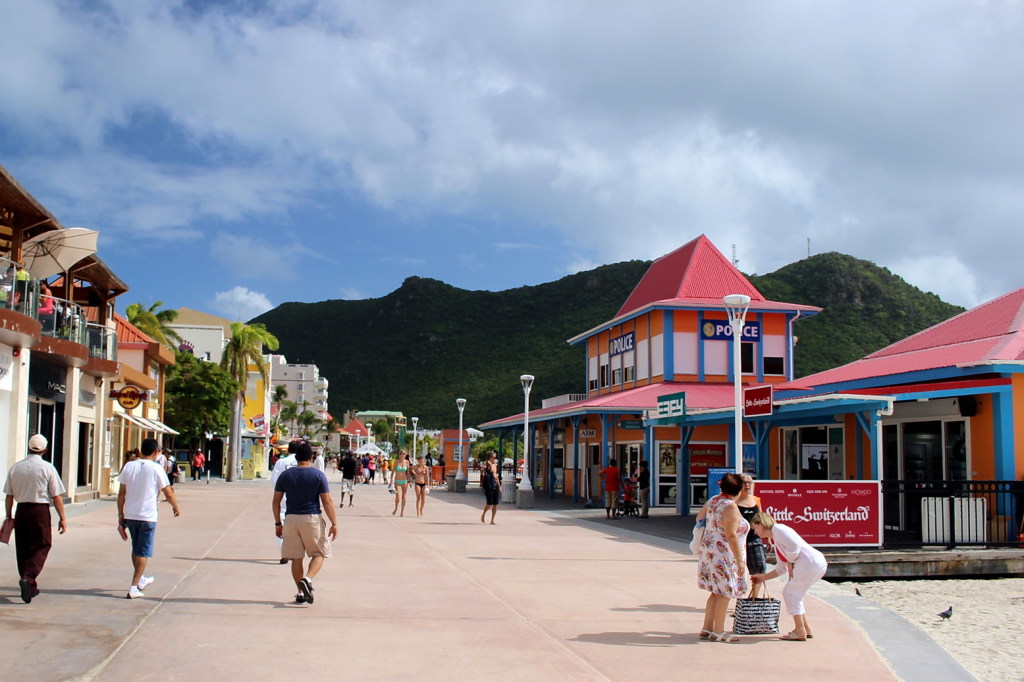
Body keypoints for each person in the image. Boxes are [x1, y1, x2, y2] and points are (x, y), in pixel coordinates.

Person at [3, 434, 67, 603]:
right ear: (45, 450)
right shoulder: (48, 468)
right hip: (40, 511)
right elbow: (56, 496)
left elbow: (9, 495)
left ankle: (30, 586)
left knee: (23, 547)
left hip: (22, 510)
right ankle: (28, 577)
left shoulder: (16, 467)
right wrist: (62, 517)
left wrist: (9, 515)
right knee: (43, 544)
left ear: (28, 447)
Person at [272, 442, 338, 605]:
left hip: (291, 518)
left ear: (296, 457)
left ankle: (300, 593)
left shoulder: (286, 475)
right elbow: (327, 501)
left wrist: (277, 524)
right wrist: (334, 523)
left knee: (296, 558)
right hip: (311, 518)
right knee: (319, 553)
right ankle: (308, 580)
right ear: (311, 457)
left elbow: (276, 501)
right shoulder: (317, 475)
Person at [750, 512, 828, 641]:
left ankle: (800, 629)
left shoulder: (779, 529)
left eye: (755, 528)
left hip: (808, 563)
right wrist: (763, 577)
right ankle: (805, 628)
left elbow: (794, 547)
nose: (755, 532)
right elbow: (781, 569)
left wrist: (791, 562)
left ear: (762, 524)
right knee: (796, 595)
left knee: (791, 594)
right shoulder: (777, 537)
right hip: (813, 564)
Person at [117, 438, 180, 599]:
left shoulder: (129, 466)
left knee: (136, 548)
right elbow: (168, 491)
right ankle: (133, 587)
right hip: (147, 515)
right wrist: (175, 506)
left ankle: (141, 579)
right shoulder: (156, 468)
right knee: (143, 551)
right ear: (156, 452)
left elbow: (121, 493)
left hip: (131, 514)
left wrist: (120, 515)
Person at [696, 472, 748, 642]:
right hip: (725, 554)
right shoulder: (730, 506)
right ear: (739, 489)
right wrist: (740, 560)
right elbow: (731, 535)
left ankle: (707, 627)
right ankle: (719, 631)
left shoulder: (713, 500)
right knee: (725, 592)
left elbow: (699, 517)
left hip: (709, 551)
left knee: (715, 592)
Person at [737, 475, 767, 598]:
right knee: (739, 574)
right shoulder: (734, 502)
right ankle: (740, 603)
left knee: (760, 569)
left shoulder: (756, 500)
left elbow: (762, 520)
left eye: (749, 482)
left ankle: (753, 599)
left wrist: (768, 539)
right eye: (744, 483)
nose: (747, 485)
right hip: (738, 542)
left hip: (755, 539)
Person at [270, 441, 300, 563]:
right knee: (296, 526)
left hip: (284, 496)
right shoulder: (301, 463)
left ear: (288, 450)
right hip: (299, 498)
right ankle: (294, 551)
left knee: (281, 523)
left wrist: (280, 490)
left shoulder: (281, 462)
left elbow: (274, 480)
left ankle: (284, 552)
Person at [480, 451, 501, 524]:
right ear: (490, 458)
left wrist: (499, 486)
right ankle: (483, 514)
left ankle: (492, 520)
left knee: (495, 504)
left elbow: (496, 476)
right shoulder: (487, 467)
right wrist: (488, 464)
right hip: (489, 486)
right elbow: (489, 472)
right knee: (489, 503)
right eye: (494, 457)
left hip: (495, 485)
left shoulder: (494, 466)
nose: (495, 459)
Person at [392, 451, 411, 517]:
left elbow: (408, 473)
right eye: (400, 453)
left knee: (404, 496)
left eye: (403, 453)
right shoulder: (396, 461)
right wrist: (391, 481)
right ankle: (396, 508)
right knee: (398, 496)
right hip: (397, 481)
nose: (402, 455)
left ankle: (402, 511)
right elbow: (393, 471)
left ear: (405, 455)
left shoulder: (407, 462)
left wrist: (410, 481)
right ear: (399, 454)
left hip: (404, 481)